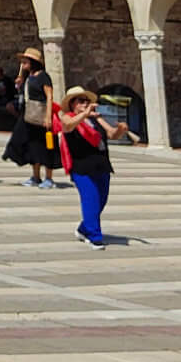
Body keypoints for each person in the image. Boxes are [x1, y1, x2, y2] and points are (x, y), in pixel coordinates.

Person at [60, 87, 136, 248]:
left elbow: (111, 134)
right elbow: (67, 125)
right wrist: (84, 115)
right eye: (81, 101)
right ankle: (95, 237)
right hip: (82, 166)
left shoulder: (97, 118)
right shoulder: (69, 118)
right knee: (91, 200)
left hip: (101, 164)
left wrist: (120, 130)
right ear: (73, 104)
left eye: (87, 101)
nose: (85, 103)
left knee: (101, 200)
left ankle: (84, 228)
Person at [2, 48, 61, 189]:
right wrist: (21, 81)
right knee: (31, 145)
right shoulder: (29, 77)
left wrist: (48, 117)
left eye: (25, 61)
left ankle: (49, 178)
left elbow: (49, 96)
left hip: (41, 115)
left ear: (33, 62)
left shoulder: (43, 76)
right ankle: (36, 177)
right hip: (29, 115)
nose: (22, 64)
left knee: (46, 146)